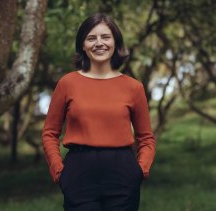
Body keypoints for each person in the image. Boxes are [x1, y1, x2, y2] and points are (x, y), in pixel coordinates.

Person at [42, 13, 156, 211]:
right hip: (78, 173)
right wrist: (59, 171)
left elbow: (146, 138)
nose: (99, 43)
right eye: (91, 38)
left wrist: (140, 169)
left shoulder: (133, 87)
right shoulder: (67, 83)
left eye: (105, 37)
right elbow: (49, 133)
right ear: (83, 45)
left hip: (123, 173)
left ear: (115, 42)